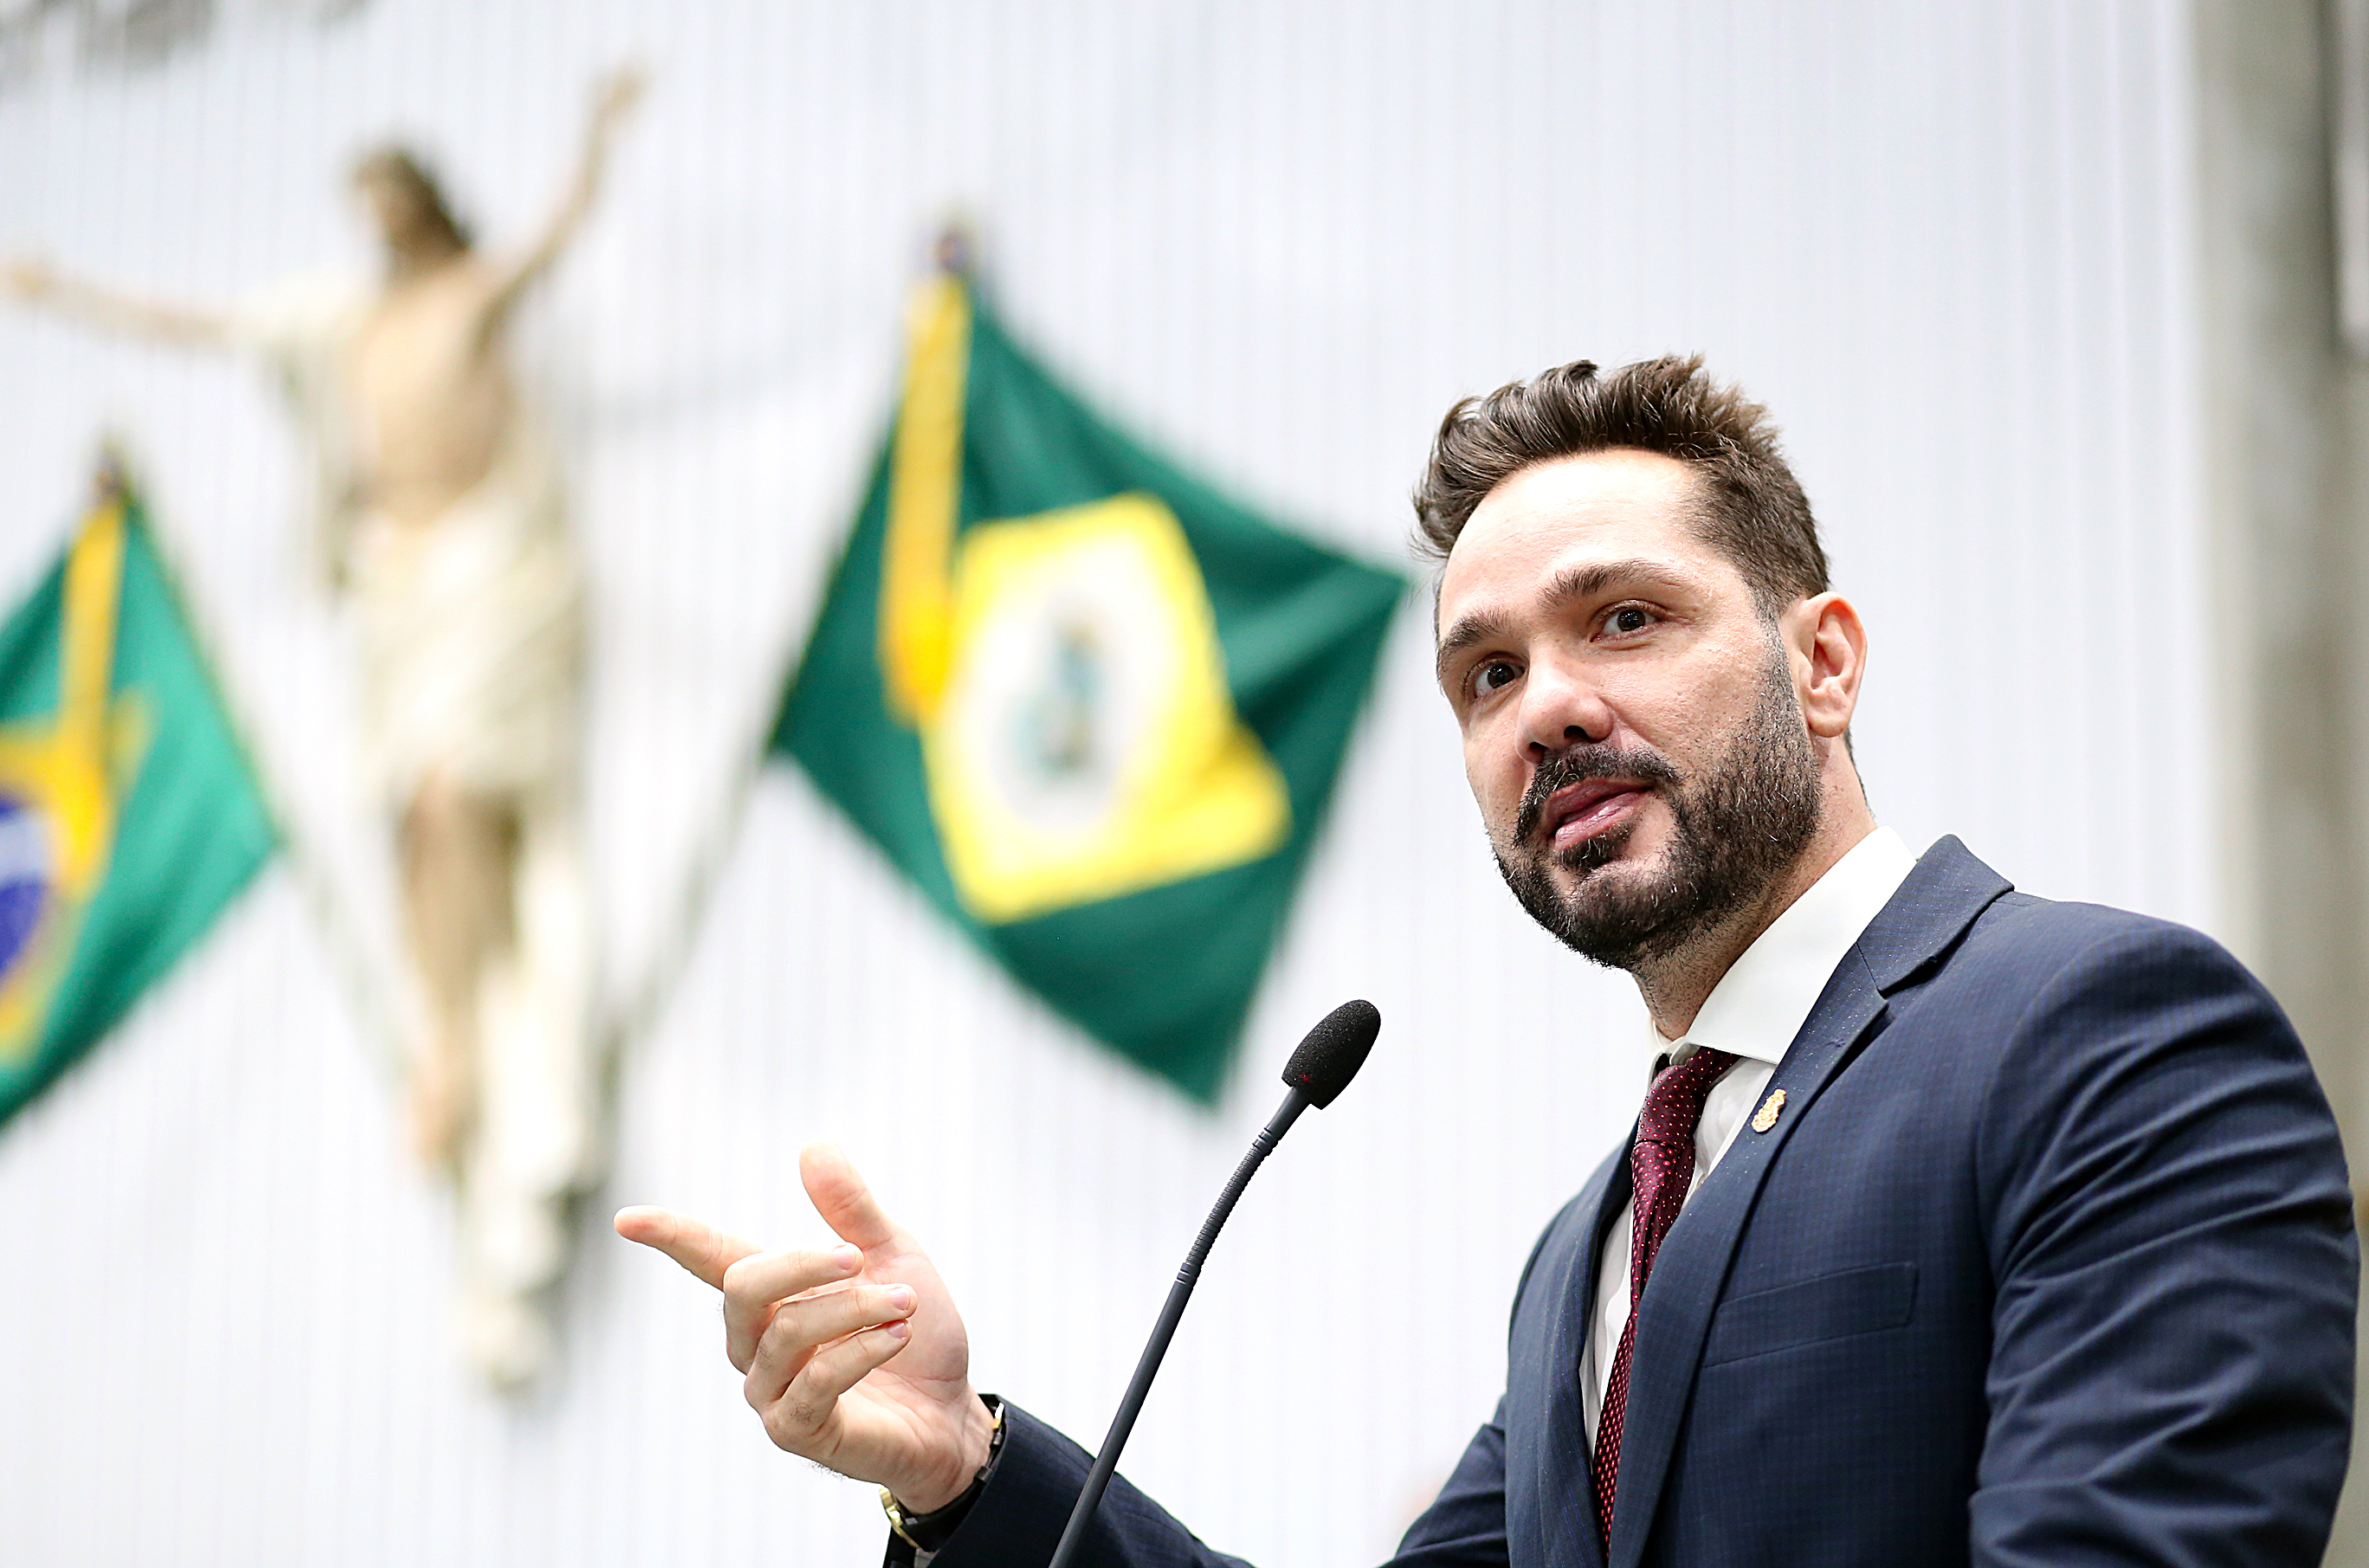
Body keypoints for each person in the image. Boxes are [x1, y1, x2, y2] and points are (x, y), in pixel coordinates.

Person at [616, 357, 2359, 1564]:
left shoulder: (2104, 1039)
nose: (1550, 710)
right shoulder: (1585, 1254)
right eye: (1487, 676)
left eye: (1626, 619)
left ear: (1822, 661)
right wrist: (967, 1470)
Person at [9, 69, 642, 1386]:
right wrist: (64, 292)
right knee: (414, 827)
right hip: (397, 594)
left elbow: (552, 235)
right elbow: (204, 326)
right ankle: (449, 1046)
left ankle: (467, 1060)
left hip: (489, 584)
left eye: (390, 201)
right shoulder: (342, 325)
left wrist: (593, 135)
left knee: (456, 803)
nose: (376, 223)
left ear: (424, 205)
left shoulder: (467, 300)